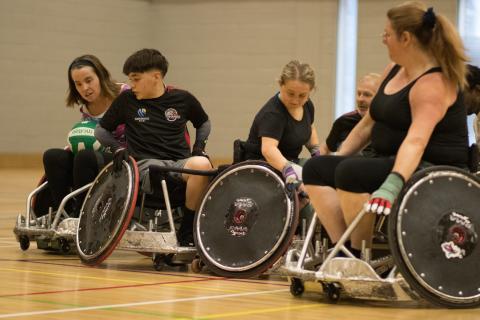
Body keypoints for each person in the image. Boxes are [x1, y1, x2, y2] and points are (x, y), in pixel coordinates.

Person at [302, 1, 469, 257]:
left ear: (405, 38)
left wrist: (393, 184)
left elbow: (416, 141)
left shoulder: (433, 83)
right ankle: (343, 253)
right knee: (316, 168)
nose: (383, 40)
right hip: (387, 159)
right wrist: (336, 158)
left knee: (351, 172)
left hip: (428, 167)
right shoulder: (393, 70)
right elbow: (367, 124)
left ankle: (362, 256)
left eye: (387, 34)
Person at [95, 48, 212, 247]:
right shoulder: (127, 101)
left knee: (202, 165)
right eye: (130, 80)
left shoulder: (182, 98)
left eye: (136, 79)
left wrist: (199, 147)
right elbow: (101, 130)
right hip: (146, 165)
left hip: (178, 163)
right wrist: (117, 148)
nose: (131, 85)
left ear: (156, 76)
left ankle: (187, 229)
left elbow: (204, 122)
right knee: (159, 169)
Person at [42, 54, 127, 217]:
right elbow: (89, 135)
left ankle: (81, 215)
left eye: (89, 80)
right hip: (96, 157)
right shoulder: (86, 107)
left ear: (100, 76)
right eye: (78, 84)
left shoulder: (124, 94)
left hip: (122, 156)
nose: (84, 88)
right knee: (52, 156)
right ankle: (64, 214)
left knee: (85, 156)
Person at [245, 60, 320, 186]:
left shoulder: (307, 105)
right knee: (313, 183)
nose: (296, 101)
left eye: (302, 95)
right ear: (281, 84)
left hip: (290, 162)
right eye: (290, 93)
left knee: (326, 175)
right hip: (264, 166)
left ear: (310, 91)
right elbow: (268, 150)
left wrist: (316, 153)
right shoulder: (273, 114)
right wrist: (287, 168)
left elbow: (309, 128)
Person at [320, 73, 381, 156]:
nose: (360, 99)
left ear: (381, 97)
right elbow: (325, 148)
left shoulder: (389, 123)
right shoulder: (344, 121)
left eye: (367, 95)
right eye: (359, 93)